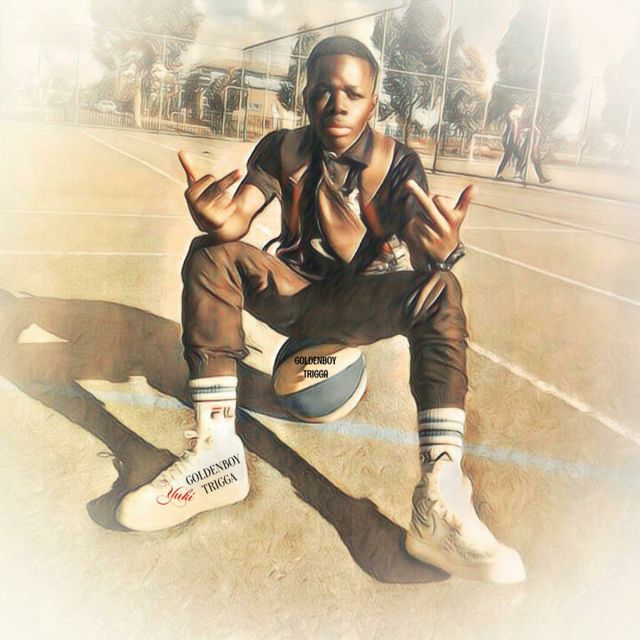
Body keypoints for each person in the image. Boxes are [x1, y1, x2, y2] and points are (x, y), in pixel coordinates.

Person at [116, 36, 525, 583]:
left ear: (372, 102)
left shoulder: (396, 163)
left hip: (358, 301)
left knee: (441, 290)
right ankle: (217, 456)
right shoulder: (281, 149)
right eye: (325, 91)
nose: (338, 104)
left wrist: (443, 250)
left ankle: (438, 496)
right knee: (210, 254)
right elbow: (239, 217)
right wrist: (216, 220)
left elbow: (425, 248)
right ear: (305, 94)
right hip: (292, 292)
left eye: (352, 93)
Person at [495, 103, 523, 180]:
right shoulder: (511, 120)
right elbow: (511, 132)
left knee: (507, 158)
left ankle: (499, 174)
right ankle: (517, 174)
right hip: (510, 142)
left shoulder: (515, 120)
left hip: (511, 142)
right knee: (520, 157)